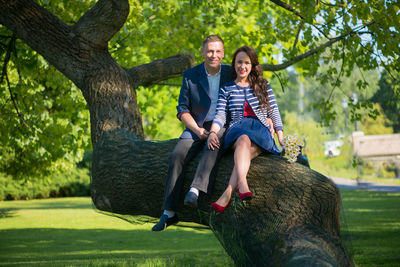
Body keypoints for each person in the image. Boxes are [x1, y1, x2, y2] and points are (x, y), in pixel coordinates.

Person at [151, 35, 234, 231]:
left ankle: (195, 191)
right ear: (203, 53)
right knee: (177, 155)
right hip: (196, 125)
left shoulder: (232, 73)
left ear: (223, 53)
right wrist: (197, 130)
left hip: (224, 125)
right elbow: (182, 109)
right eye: (210, 51)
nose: (214, 55)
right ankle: (169, 213)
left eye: (218, 51)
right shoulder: (190, 75)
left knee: (212, 146)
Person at [207, 46, 284, 213]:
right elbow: (220, 115)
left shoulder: (263, 85)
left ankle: (228, 192)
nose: (243, 66)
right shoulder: (226, 88)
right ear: (234, 64)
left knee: (246, 149)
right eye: (239, 62)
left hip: (261, 131)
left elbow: (274, 110)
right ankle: (242, 183)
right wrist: (213, 132)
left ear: (252, 65)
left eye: (247, 63)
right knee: (243, 138)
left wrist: (280, 134)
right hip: (237, 129)